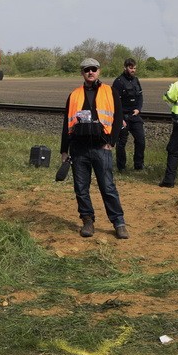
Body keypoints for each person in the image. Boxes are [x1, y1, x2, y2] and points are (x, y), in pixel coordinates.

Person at [59, 58, 129, 239]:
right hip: (78, 148)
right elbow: (66, 123)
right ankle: (87, 221)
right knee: (81, 188)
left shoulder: (110, 91)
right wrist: (64, 150)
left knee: (107, 187)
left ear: (99, 71)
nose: (90, 72)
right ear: (82, 72)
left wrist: (111, 142)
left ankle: (118, 222)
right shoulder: (74, 94)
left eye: (94, 69)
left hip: (101, 147)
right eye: (86, 69)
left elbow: (118, 118)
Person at [112, 58, 145, 171]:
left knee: (141, 141)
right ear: (125, 68)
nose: (133, 70)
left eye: (134, 68)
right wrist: (119, 118)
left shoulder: (136, 80)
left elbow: (140, 96)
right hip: (123, 117)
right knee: (121, 144)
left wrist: (138, 109)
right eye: (131, 68)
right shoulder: (118, 82)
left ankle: (138, 166)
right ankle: (121, 167)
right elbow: (114, 102)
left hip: (135, 116)